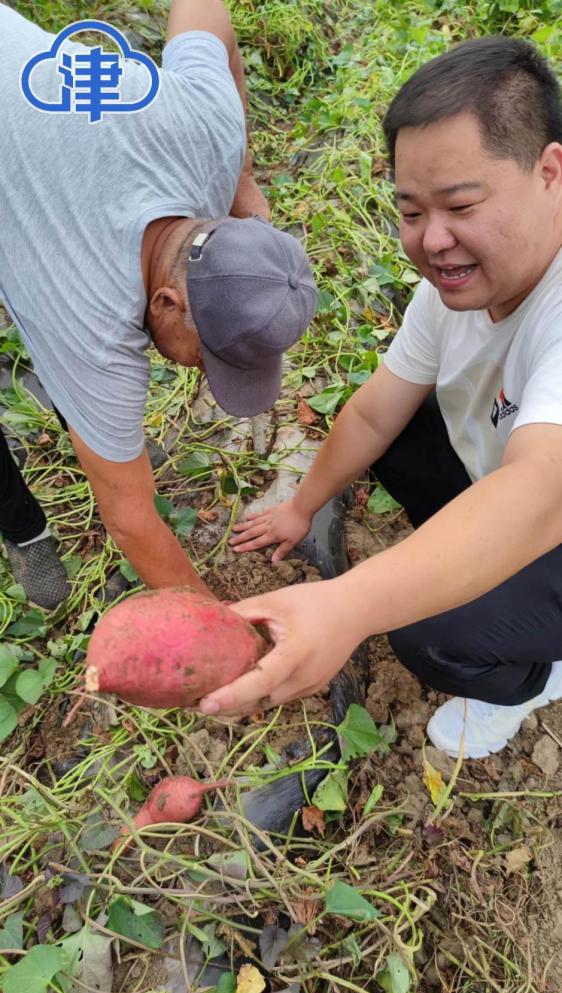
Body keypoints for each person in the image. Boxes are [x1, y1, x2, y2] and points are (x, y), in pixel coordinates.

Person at [198, 35, 562, 760]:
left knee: (431, 634)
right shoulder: (461, 285)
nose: (433, 241)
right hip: (521, 477)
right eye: (410, 211)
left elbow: (542, 491)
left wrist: (351, 604)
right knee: (394, 435)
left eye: (460, 204)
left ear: (550, 172)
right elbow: (374, 409)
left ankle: (535, 678)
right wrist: (300, 507)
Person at [0, 1, 317, 609]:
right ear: (167, 302)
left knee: (97, 417)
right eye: (207, 359)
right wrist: (218, 628)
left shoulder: (210, 127)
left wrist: (242, 175)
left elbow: (204, 10)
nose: (200, 372)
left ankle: (97, 435)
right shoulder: (90, 318)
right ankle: (23, 529)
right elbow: (129, 521)